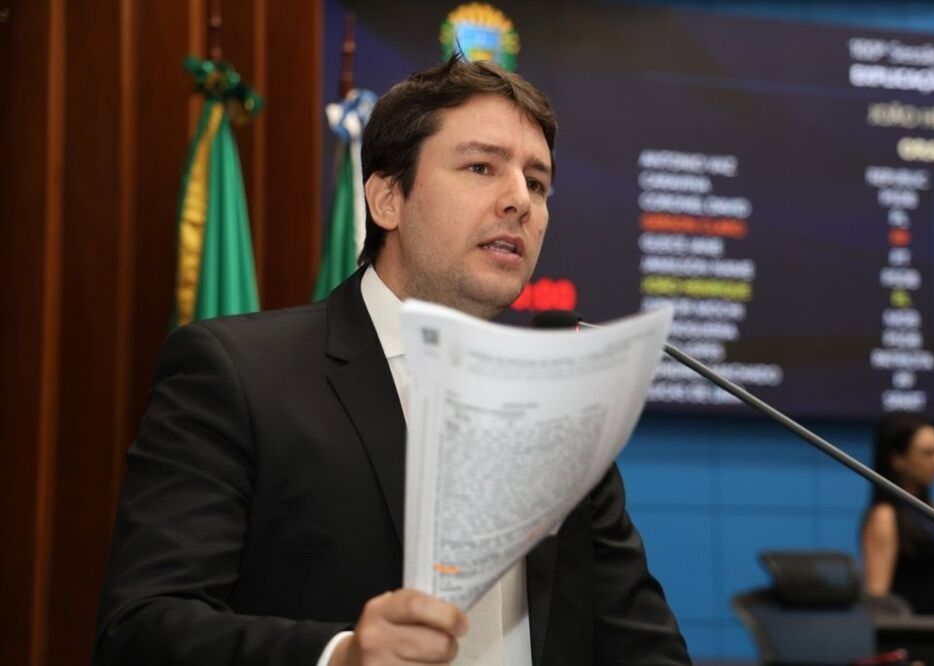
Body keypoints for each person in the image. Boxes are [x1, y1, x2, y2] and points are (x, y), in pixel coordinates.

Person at [95, 56, 691, 666]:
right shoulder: (239, 374)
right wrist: (342, 656)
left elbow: (643, 648)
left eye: (537, 184)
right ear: (386, 199)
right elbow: (141, 629)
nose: (519, 200)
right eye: (482, 167)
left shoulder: (561, 404)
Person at [860, 414, 934, 615]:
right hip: (917, 639)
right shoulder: (885, 516)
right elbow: (877, 599)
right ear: (897, 460)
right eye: (928, 453)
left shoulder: (932, 510)